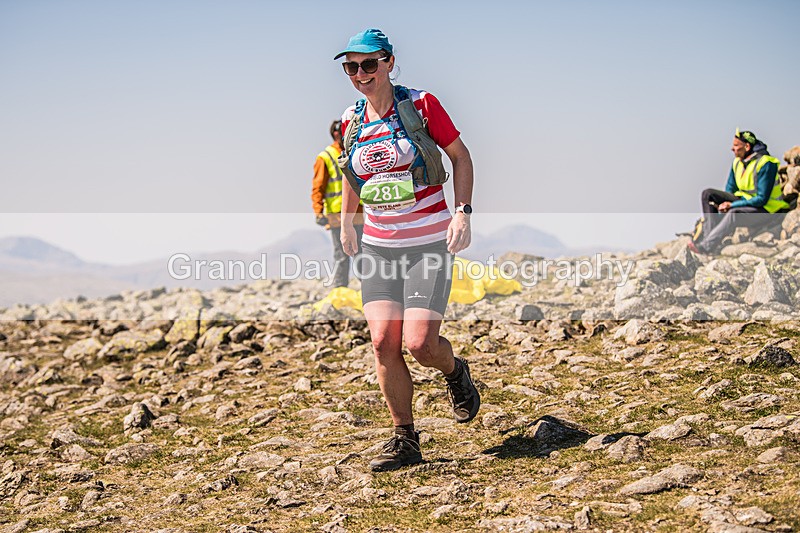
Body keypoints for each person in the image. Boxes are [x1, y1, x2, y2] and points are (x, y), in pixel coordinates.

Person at [334, 28, 480, 471]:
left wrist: (463, 212)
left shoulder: (421, 105)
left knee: (420, 345)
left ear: (389, 63)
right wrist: (347, 223)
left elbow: (460, 156)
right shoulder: (351, 118)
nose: (361, 74)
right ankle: (405, 438)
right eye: (351, 67)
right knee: (382, 343)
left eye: (369, 64)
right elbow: (350, 173)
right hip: (379, 246)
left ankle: (455, 372)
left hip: (428, 244)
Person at [689, 129, 789, 254]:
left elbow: (761, 199)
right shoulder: (737, 162)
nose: (732, 148)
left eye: (736, 145)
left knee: (734, 213)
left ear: (747, 147)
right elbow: (730, 189)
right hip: (746, 202)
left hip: (767, 209)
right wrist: (723, 204)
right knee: (708, 194)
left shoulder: (766, 164)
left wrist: (732, 205)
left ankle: (706, 247)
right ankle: (710, 238)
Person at [311, 120, 364, 287]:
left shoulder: (354, 152)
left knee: (362, 253)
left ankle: (371, 291)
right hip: (336, 215)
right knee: (341, 254)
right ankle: (339, 289)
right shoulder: (325, 157)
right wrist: (318, 211)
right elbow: (318, 187)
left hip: (358, 212)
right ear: (336, 134)